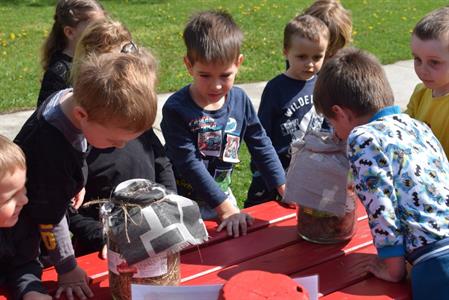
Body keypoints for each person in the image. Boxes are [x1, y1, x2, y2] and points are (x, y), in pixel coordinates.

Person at [15, 50, 158, 300]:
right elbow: (49, 218)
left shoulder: (71, 101)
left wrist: (76, 180)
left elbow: (80, 145)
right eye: (115, 140)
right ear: (82, 115)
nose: (120, 147)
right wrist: (67, 267)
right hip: (20, 236)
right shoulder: (51, 148)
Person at [313, 47, 449, 300]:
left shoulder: (363, 137)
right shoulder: (417, 125)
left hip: (436, 264)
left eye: (332, 124)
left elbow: (381, 211)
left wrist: (393, 269)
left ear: (340, 113)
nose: (334, 134)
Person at [161, 10, 286, 238]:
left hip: (223, 194)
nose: (216, 86)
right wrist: (224, 208)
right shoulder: (176, 109)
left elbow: (260, 143)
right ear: (189, 65)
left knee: (233, 250)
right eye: (205, 75)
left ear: (239, 63)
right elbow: (189, 163)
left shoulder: (240, 100)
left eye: (225, 75)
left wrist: (283, 186)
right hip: (182, 204)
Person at [68, 18, 176, 259]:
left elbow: (162, 164)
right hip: (101, 251)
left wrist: (168, 205)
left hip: (153, 234)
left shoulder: (132, 115)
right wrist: (105, 236)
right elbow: (69, 211)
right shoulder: (78, 141)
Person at [245, 15, 329, 208]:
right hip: (273, 173)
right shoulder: (276, 88)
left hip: (308, 170)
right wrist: (270, 174)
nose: (310, 63)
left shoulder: (322, 85)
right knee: (260, 219)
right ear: (286, 52)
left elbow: (327, 126)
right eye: (301, 57)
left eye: (317, 57)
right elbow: (260, 134)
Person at [0, 135, 51, 300]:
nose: (24, 200)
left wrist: (31, 291)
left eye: (24, 188)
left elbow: (24, 264)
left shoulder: (21, 222)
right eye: (11, 197)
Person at [37, 0, 104, 107]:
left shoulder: (96, 59)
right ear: (70, 32)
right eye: (95, 28)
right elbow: (46, 117)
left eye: (103, 26)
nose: (103, 32)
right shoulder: (59, 72)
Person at [406, 6, 449, 158]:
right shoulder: (420, 92)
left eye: (434, 62)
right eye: (417, 59)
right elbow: (403, 130)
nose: (422, 70)